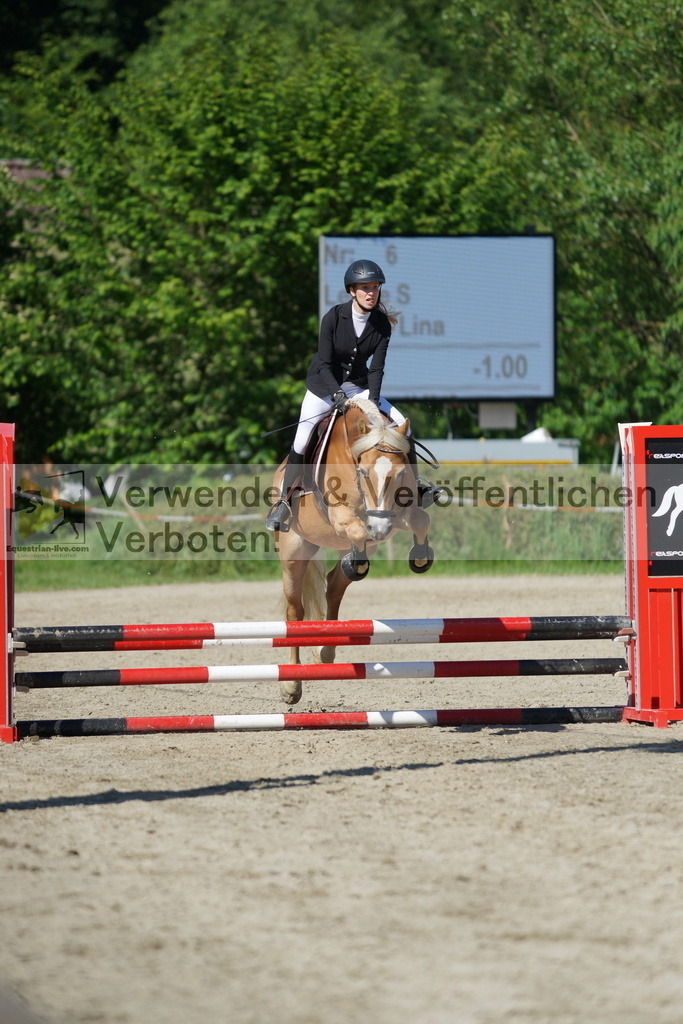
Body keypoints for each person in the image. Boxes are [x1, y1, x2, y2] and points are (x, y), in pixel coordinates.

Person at [265, 259, 441, 531]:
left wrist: (372, 401)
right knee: (302, 438)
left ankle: (415, 488)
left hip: (360, 387)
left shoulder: (381, 323)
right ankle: (285, 503)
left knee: (402, 425)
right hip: (324, 387)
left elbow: (377, 368)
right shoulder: (334, 317)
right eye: (364, 288)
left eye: (375, 287)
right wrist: (336, 395)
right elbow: (323, 363)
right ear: (352, 291)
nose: (371, 293)